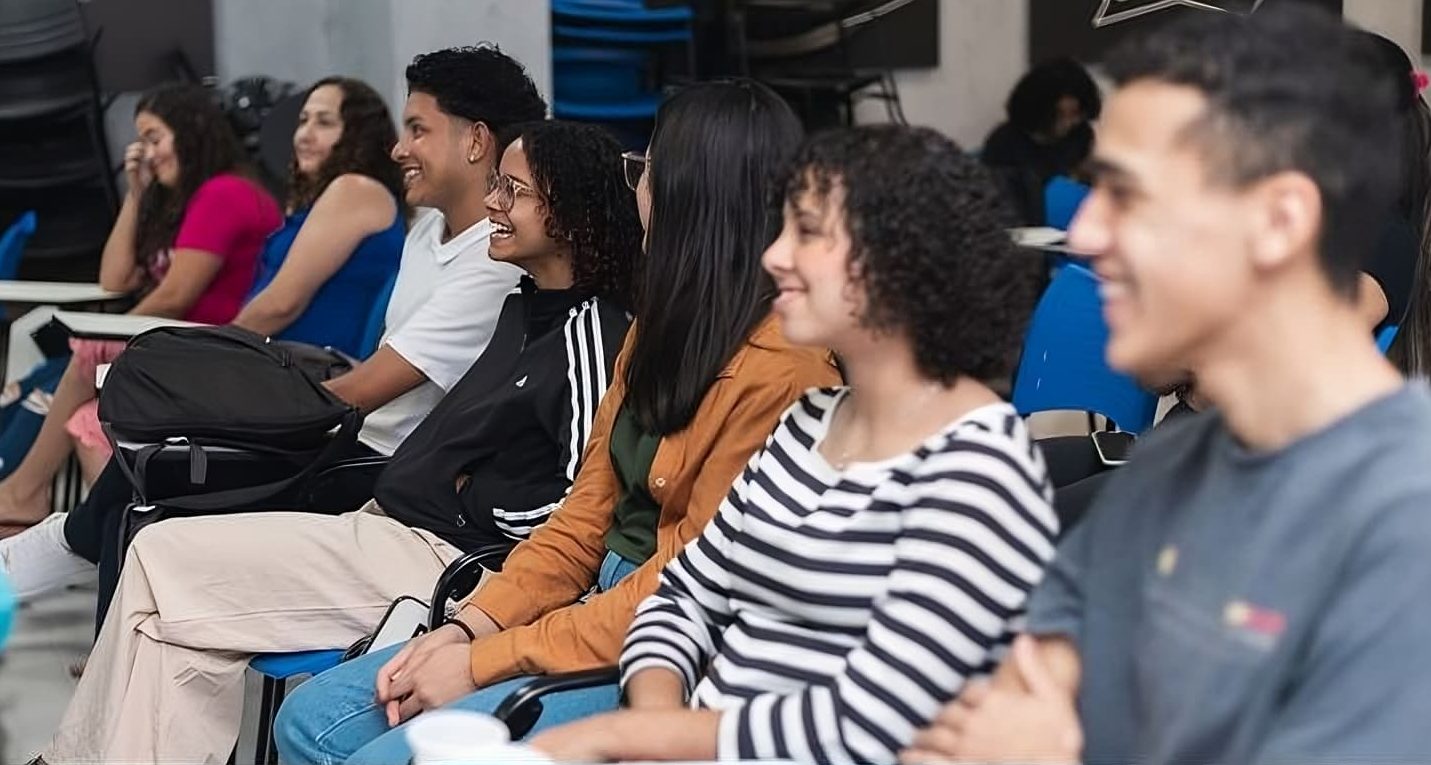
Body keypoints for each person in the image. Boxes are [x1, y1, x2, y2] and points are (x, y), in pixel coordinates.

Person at [903, 7, 1431, 765]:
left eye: (1133, 196)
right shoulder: (1163, 467)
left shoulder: (1394, 534)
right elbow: (991, 711)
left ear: (1280, 221)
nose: (1083, 235)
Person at [274, 79, 841, 765]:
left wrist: (487, 658)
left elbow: (682, 586)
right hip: (582, 602)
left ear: (692, 194)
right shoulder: (663, 322)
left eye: (647, 170)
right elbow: (582, 513)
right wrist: (467, 626)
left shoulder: (783, 367)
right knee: (309, 718)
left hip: (672, 646)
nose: (638, 188)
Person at [38, 117, 636, 764]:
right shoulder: (523, 307)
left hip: (451, 562)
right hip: (393, 530)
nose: (492, 202)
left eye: (512, 191)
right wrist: (441, 478)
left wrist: (471, 499)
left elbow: (579, 506)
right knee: (166, 603)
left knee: (162, 563)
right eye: (496, 185)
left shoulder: (592, 336)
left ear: (570, 215)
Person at [529, 124, 1053, 764]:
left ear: (895, 260)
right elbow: (680, 597)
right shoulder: (809, 421)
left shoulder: (978, 471)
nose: (774, 255)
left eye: (806, 232)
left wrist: (631, 736)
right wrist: (659, 722)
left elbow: (872, 726)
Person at [0, 48, 545, 613]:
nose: (398, 147)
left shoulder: (488, 260)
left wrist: (222, 400)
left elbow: (350, 375)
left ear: (476, 141)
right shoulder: (429, 229)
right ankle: (68, 562)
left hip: (373, 464)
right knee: (149, 461)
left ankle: (54, 546)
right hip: (340, 424)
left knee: (160, 458)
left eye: (417, 129)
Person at [0, 84, 282, 535]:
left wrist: (107, 332)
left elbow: (175, 296)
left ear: (190, 134)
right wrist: (135, 194)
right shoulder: (182, 200)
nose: (144, 152)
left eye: (154, 138)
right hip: (170, 341)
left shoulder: (224, 193)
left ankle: (22, 491)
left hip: (209, 349)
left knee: (86, 355)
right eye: (141, 140)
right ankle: (37, 498)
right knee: (48, 385)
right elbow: (115, 279)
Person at [232, 75, 408, 357]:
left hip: (306, 374)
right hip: (278, 362)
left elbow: (282, 305)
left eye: (324, 122)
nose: (304, 134)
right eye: (303, 120)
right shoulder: (326, 197)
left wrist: (214, 348)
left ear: (359, 135)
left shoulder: (354, 189)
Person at [981, 58, 1101, 225]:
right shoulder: (1004, 143)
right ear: (1044, 109)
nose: (1073, 122)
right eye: (1067, 115)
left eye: (1078, 115)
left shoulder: (1079, 135)